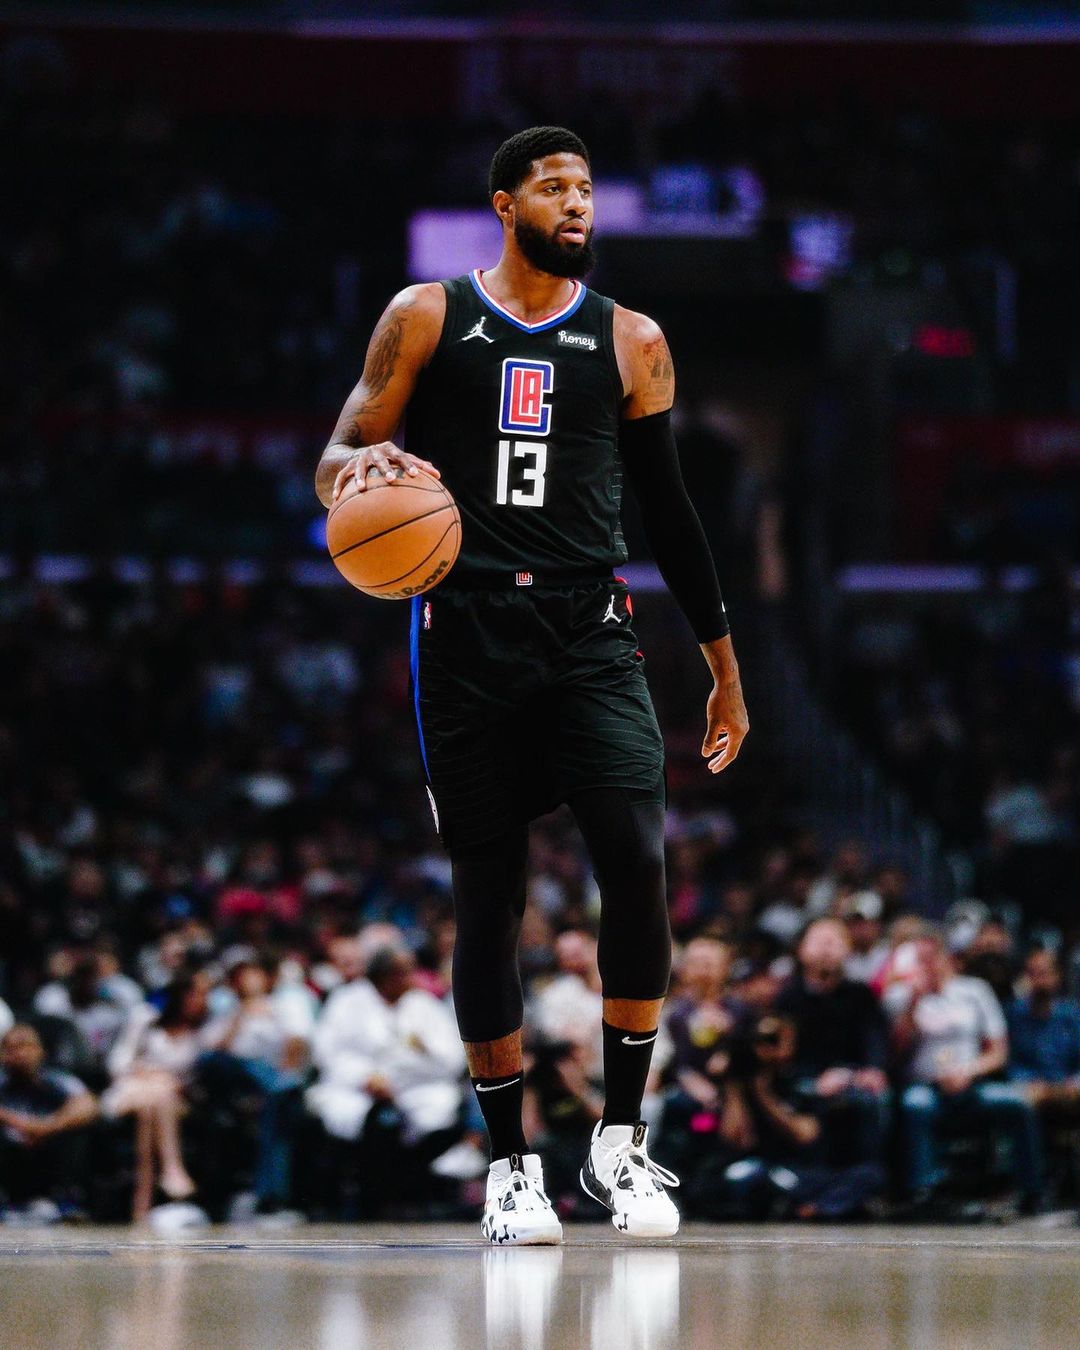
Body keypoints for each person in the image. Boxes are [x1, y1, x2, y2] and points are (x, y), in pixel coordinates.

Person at [316, 126, 748, 1244]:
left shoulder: (634, 339)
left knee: (638, 862)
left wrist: (723, 667)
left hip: (587, 625)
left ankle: (620, 1142)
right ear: (506, 206)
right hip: (463, 628)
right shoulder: (426, 313)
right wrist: (361, 468)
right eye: (554, 187)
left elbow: (671, 513)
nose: (577, 204)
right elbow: (335, 457)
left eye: (587, 189)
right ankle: (511, 1169)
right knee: (489, 896)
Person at [884, 931, 1043, 1213]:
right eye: (920, 960)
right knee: (915, 1105)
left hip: (972, 1083)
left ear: (946, 958)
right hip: (925, 1085)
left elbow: (998, 1052)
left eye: (932, 958)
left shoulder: (974, 990)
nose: (928, 966)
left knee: (1017, 1103)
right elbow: (895, 1055)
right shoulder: (898, 997)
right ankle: (923, 1191)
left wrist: (969, 1072)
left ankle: (1030, 1190)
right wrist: (913, 1003)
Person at [775, 919, 890, 1165]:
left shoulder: (861, 994)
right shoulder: (786, 998)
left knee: (874, 1099)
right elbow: (782, 1055)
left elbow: (875, 1040)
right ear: (801, 950)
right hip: (802, 1078)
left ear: (848, 950)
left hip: (852, 1076)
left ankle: (869, 1175)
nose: (826, 948)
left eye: (835, 941)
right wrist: (817, 1079)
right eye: (819, 941)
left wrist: (871, 1070)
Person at [103, 970, 210, 1222]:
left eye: (205, 995)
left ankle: (141, 1203)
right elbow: (117, 1064)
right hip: (131, 1090)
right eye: (195, 994)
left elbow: (195, 1078)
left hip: (172, 1099)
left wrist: (167, 1080)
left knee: (153, 1106)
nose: (201, 1000)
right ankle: (172, 1168)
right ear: (179, 995)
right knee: (159, 1091)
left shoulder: (203, 1032)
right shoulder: (145, 1018)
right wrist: (147, 1072)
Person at [0, 1024, 98, 1221]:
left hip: (50, 1151)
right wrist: (22, 1125)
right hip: (9, 1156)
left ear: (40, 1051)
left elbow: (88, 1105)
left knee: (82, 1129)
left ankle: (66, 1200)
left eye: (24, 1046)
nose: (18, 1054)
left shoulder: (56, 1079)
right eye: (10, 1048)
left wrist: (47, 1128)